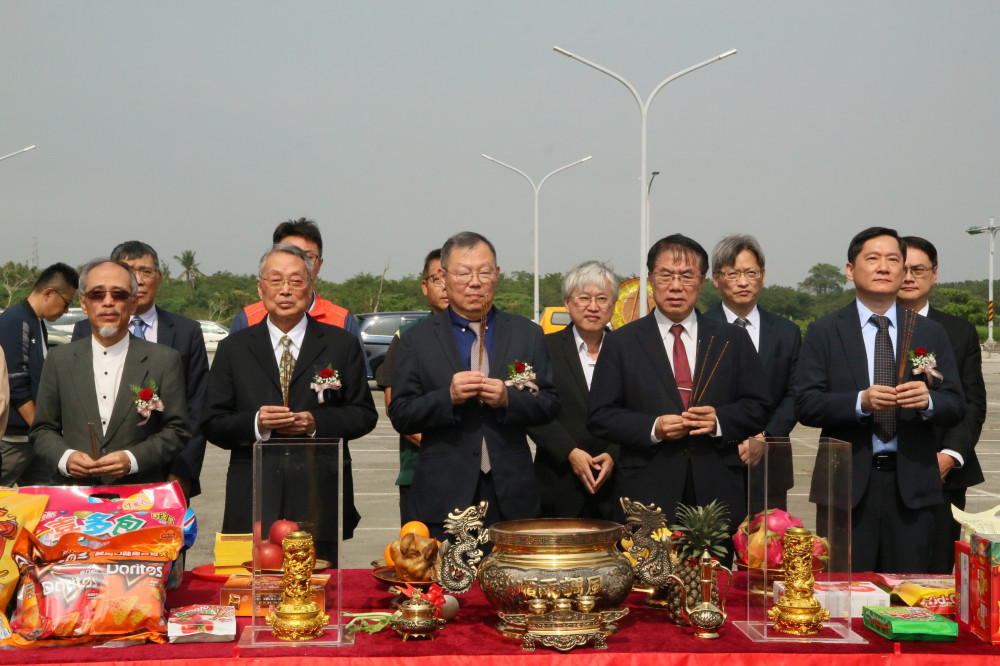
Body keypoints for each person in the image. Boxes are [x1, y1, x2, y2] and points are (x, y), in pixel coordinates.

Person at [795, 227, 965, 573]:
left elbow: (956, 403)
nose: (883, 267)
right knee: (844, 598)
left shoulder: (928, 332)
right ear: (849, 269)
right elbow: (807, 404)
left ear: (903, 271)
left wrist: (928, 400)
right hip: (847, 488)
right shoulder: (825, 331)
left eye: (893, 260)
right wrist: (861, 401)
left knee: (908, 595)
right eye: (872, 259)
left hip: (912, 487)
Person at [203, 244, 377, 562]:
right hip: (254, 492)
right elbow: (213, 422)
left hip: (317, 492)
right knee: (251, 595)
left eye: (296, 281)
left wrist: (316, 423)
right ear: (261, 287)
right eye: (276, 280)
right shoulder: (233, 349)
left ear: (310, 287)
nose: (286, 290)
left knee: (317, 595)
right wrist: (257, 423)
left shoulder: (341, 344)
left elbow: (364, 414)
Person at [587, 234, 770, 533]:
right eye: (666, 275)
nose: (675, 286)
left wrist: (719, 421)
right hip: (646, 490)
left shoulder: (731, 339)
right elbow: (600, 416)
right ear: (650, 279)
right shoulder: (622, 342)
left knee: (713, 576)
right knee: (647, 576)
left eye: (686, 276)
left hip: (716, 488)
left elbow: (759, 406)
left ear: (702, 280)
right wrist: (653, 427)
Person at [388, 231, 559, 539]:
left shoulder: (526, 334)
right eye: (464, 273)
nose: (475, 282)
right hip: (444, 496)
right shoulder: (416, 339)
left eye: (484, 272)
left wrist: (508, 399)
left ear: (497, 274)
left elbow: (549, 404)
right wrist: (447, 397)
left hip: (512, 494)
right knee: (446, 586)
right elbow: (401, 413)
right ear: (443, 276)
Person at [30, 258, 190, 485]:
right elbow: (43, 429)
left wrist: (132, 459)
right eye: (97, 294)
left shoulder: (163, 360)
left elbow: (177, 429)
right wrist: (65, 458)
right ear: (84, 303)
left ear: (133, 303)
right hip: (75, 497)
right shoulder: (60, 360)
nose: (108, 302)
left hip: (138, 497)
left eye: (119, 294)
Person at [71, 241, 209, 502]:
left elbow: (197, 407)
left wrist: (182, 473)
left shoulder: (187, 332)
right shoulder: (83, 330)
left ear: (159, 277)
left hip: (165, 475)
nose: (139, 280)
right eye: (129, 270)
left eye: (146, 271)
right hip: (96, 475)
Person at [897, 235, 986, 573]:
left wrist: (949, 456)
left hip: (940, 477)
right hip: (880, 475)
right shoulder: (865, 327)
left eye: (917, 269)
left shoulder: (958, 331)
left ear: (934, 275)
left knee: (932, 578)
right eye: (901, 268)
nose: (908, 277)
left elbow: (973, 403)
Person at [705, 234, 800, 509]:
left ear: (763, 275)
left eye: (751, 272)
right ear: (716, 278)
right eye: (733, 274)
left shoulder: (787, 332)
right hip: (714, 461)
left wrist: (766, 437)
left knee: (767, 550)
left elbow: (796, 393)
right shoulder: (700, 329)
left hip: (771, 464)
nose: (743, 282)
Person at [526, 260, 620, 520]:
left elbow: (640, 407)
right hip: (557, 483)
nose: (593, 306)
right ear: (567, 303)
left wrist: (614, 454)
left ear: (612, 305)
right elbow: (529, 406)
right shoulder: (541, 348)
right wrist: (569, 451)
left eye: (602, 298)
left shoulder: (629, 351)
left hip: (615, 487)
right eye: (584, 298)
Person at [229, 217, 369, 374]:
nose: (297, 261)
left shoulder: (343, 321)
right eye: (289, 252)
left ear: (319, 264)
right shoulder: (247, 319)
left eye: (307, 257)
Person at [375, 249, 449, 524]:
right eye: (436, 279)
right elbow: (395, 406)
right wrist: (445, 451)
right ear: (424, 287)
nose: (444, 286)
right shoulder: (406, 337)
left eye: (450, 277)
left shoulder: (486, 334)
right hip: (420, 470)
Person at [0, 263, 79, 486]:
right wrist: (40, 428)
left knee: (46, 499)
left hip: (32, 438)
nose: (65, 311)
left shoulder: (36, 322)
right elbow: (15, 385)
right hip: (13, 439)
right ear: (48, 293)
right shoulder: (15, 321)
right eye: (66, 304)